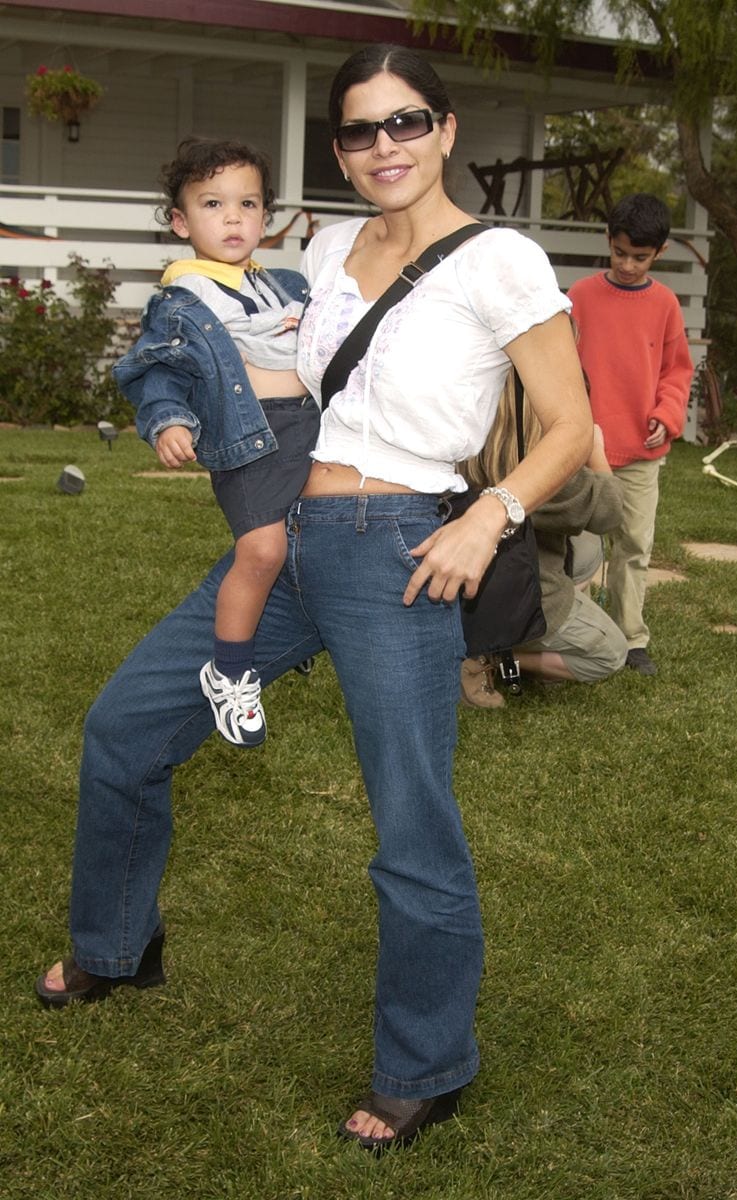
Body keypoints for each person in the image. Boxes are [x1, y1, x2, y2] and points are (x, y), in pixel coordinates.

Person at [35, 44, 593, 1150]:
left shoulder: (502, 261)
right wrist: (179, 403)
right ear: (337, 148)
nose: (382, 146)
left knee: (410, 823)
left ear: (444, 131)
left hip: (402, 549)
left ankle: (427, 1066)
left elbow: (573, 429)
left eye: (404, 123)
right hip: (291, 534)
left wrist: (489, 517)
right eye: (357, 130)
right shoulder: (328, 247)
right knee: (125, 732)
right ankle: (114, 947)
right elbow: (264, 358)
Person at [114, 138, 320, 746]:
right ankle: (228, 672)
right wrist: (168, 421)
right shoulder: (182, 299)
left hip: (312, 429)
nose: (233, 218)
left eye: (248, 203)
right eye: (212, 204)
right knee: (260, 551)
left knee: (310, 537)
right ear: (180, 222)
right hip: (252, 439)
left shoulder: (282, 284)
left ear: (265, 216)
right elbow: (155, 371)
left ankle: (288, 633)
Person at [568, 193, 694, 676]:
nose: (626, 264)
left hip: (642, 450)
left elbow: (677, 371)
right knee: (572, 547)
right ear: (609, 241)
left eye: (639, 257)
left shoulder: (664, 304)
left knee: (634, 547)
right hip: (581, 446)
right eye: (619, 252)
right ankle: (566, 624)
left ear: (658, 253)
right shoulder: (579, 295)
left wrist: (667, 411)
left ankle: (631, 639)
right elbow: (560, 365)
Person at [459, 407, 627, 708]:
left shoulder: (458, 450)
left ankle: (483, 645)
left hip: (459, 589)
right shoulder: (545, 472)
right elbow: (610, 511)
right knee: (610, 653)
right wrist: (595, 448)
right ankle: (496, 658)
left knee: (585, 551)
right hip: (520, 599)